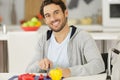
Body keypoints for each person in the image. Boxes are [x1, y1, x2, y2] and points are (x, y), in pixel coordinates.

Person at [26, 0, 105, 78]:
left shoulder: (83, 36)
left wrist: (70, 72)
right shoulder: (43, 40)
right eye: (48, 15)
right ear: (45, 20)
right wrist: (40, 64)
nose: (53, 19)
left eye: (56, 12)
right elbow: (29, 70)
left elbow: (98, 65)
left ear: (66, 13)